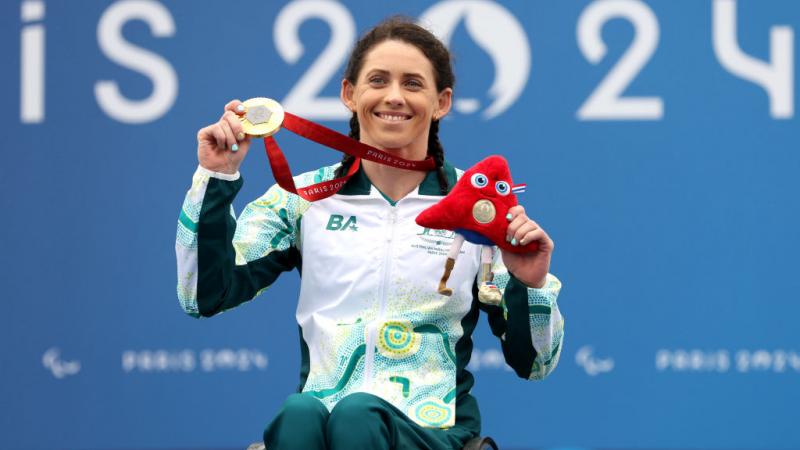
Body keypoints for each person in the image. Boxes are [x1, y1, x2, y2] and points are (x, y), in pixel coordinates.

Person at [176, 17, 564, 450]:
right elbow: (203, 295)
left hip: (435, 433)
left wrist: (531, 286)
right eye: (378, 80)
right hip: (320, 426)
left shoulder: (479, 211)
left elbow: (536, 364)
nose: (394, 96)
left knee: (358, 415)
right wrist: (216, 176)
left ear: (442, 102)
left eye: (413, 84)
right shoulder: (302, 199)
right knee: (299, 414)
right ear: (350, 94)